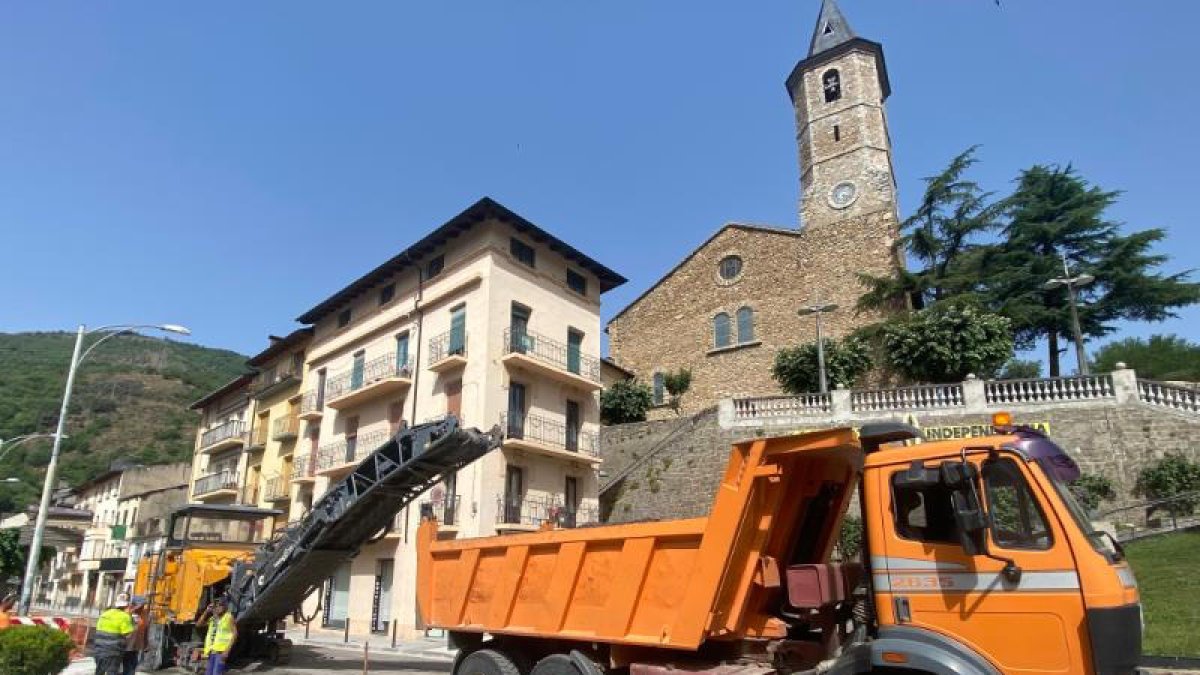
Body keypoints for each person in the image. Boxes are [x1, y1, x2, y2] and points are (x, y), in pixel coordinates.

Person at [94, 594, 135, 675]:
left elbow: (98, 629)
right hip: (113, 651)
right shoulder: (125, 617)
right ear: (127, 606)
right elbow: (128, 634)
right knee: (112, 672)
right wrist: (131, 619)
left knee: (99, 671)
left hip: (99, 649)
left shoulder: (104, 614)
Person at [200, 597, 237, 675]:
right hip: (211, 652)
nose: (218, 608)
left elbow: (235, 633)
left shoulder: (228, 617)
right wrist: (206, 611)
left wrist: (227, 651)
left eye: (220, 605)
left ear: (225, 607)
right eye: (216, 606)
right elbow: (199, 624)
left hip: (221, 653)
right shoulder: (213, 619)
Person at [123, 596, 149, 675]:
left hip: (136, 646)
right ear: (134, 604)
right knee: (125, 665)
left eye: (143, 605)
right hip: (125, 645)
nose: (143, 607)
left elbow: (146, 629)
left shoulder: (144, 614)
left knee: (133, 665)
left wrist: (146, 644)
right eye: (141, 605)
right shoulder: (126, 613)